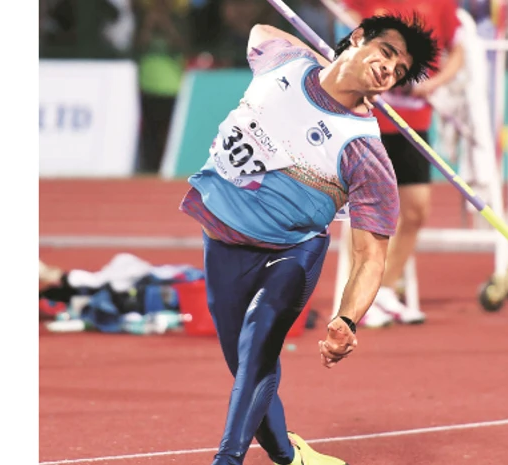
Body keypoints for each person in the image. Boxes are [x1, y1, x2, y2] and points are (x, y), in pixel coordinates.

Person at [178, 14, 439, 465]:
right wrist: (327, 61)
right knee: (246, 368)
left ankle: (227, 460)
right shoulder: (284, 61)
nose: (388, 69)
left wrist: (348, 319)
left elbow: (371, 257)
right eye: (386, 52)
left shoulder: (366, 152)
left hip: (292, 252)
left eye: (398, 71)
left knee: (258, 349)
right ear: (358, 38)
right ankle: (290, 456)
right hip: (222, 241)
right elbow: (261, 31)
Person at [339, 0, 465, 328]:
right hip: (369, 116)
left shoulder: (442, 3)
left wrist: (435, 83)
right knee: (368, 215)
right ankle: (359, 299)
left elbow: (458, 50)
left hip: (414, 120)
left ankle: (384, 290)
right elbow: (345, 22)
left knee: (416, 210)